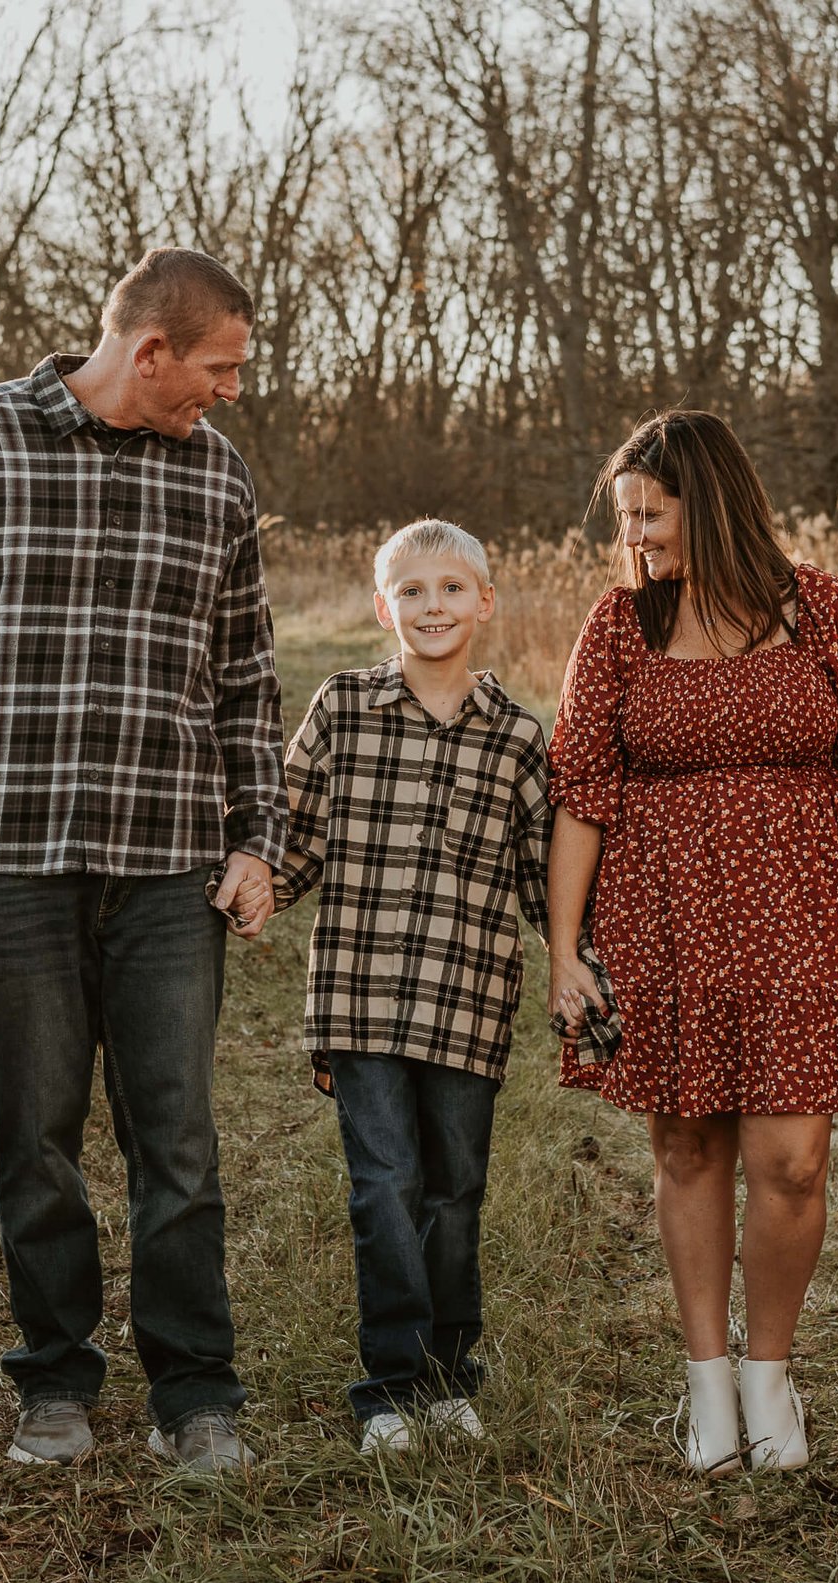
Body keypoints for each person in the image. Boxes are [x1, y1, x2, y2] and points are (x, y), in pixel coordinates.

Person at [0, 248, 284, 1475]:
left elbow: (247, 680)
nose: (231, 391)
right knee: (32, 1135)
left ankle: (195, 1392)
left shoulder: (217, 478)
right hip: (10, 861)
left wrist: (258, 838)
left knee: (177, 1142)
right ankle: (53, 1381)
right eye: (220, 367)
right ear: (149, 352)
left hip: (167, 863)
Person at [544, 411, 838, 1475]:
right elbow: (580, 788)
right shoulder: (620, 625)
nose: (636, 538)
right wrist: (563, 947)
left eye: (650, 515)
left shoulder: (821, 608)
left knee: (792, 1158)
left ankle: (771, 1372)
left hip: (798, 910)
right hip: (662, 912)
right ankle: (706, 1380)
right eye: (626, 518)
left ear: (704, 503)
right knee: (686, 1145)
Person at [269, 520, 550, 1456]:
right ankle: (390, 1382)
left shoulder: (516, 737)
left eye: (452, 589)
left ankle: (450, 1373)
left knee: (455, 1187)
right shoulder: (344, 706)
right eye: (413, 593)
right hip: (361, 994)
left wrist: (584, 959)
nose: (434, 608)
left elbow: (543, 875)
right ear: (383, 607)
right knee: (384, 1183)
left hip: (468, 999)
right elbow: (292, 831)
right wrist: (248, 884)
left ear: (485, 602)